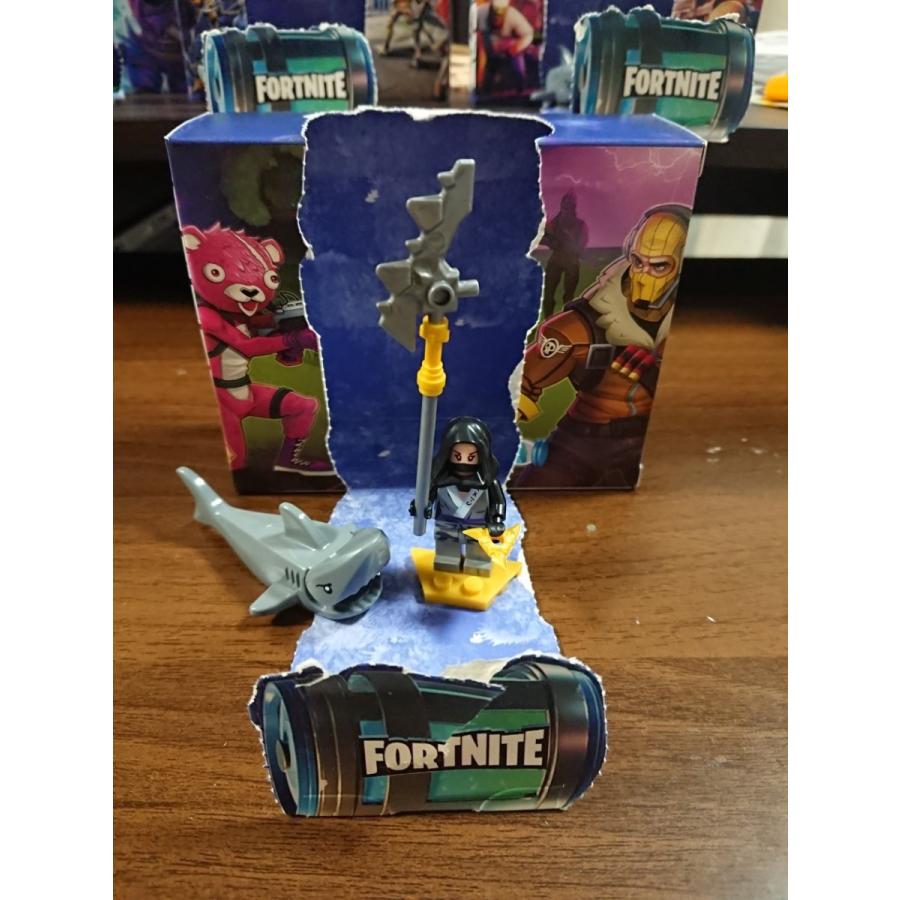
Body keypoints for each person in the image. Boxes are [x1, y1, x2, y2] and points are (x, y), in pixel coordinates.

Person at [514, 205, 690, 488]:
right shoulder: (580, 325)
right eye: (638, 261)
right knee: (537, 489)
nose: (644, 275)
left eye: (659, 265)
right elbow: (521, 386)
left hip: (651, 444)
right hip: (582, 442)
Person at [411, 417, 507, 577]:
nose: (463, 463)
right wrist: (420, 505)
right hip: (446, 523)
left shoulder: (488, 483)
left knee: (478, 550)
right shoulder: (440, 481)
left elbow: (498, 502)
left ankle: (477, 564)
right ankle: (447, 562)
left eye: (471, 457)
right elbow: (427, 497)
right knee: (446, 549)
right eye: (457, 456)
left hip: (478, 525)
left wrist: (497, 519)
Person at [541, 190, 588, 321]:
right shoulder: (553, 223)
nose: (566, 209)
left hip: (571, 261)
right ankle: (548, 321)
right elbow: (542, 238)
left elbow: (581, 244)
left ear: (573, 207)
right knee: (549, 294)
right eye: (565, 206)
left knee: (568, 296)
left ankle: (564, 322)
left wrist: (572, 246)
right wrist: (553, 243)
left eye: (569, 206)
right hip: (557, 260)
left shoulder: (580, 225)